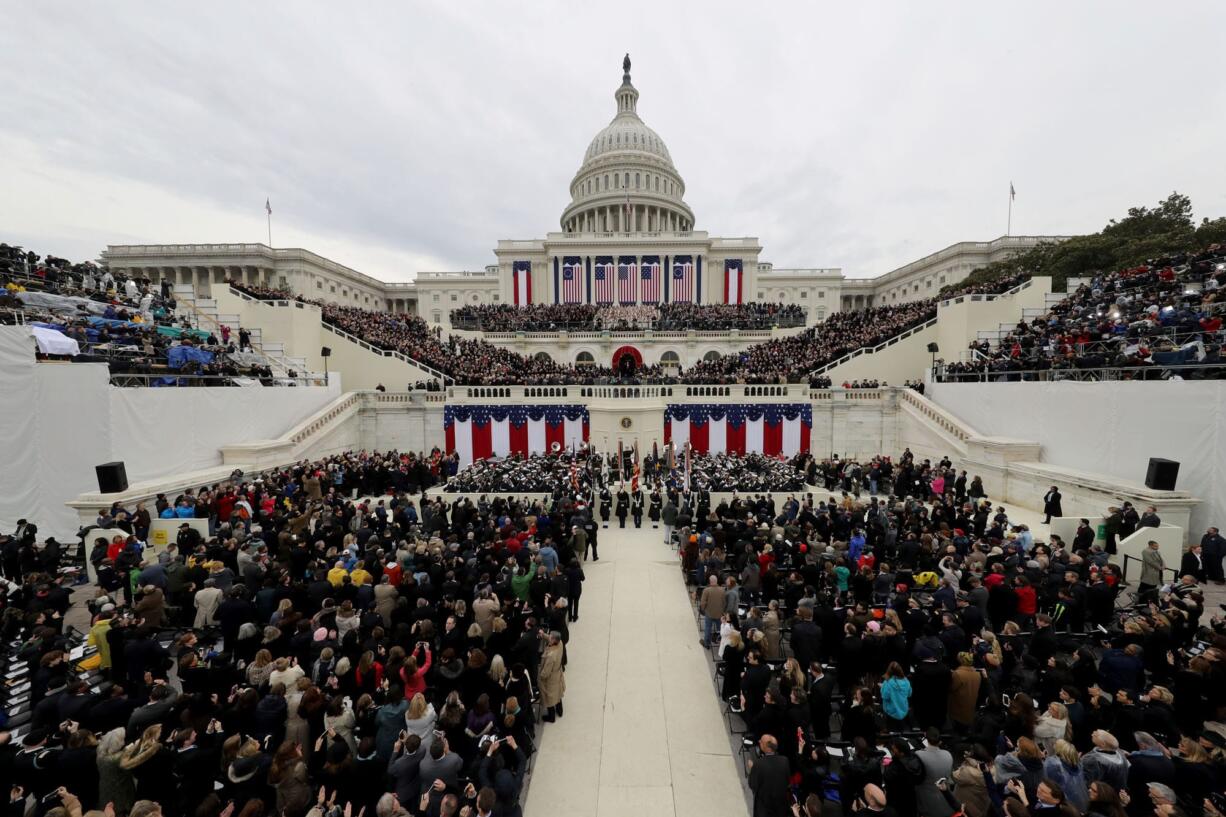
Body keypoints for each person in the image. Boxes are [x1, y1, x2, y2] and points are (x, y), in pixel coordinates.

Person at [747, 734, 791, 817]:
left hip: (763, 809)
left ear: (767, 748)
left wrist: (752, 769)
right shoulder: (785, 761)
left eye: (761, 741)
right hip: (780, 808)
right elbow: (788, 781)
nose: (759, 741)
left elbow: (753, 785)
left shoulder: (758, 764)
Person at [539, 630, 566, 722]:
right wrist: (543, 635)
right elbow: (551, 638)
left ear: (553, 640)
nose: (549, 637)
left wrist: (540, 677)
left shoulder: (551, 656)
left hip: (550, 680)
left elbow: (546, 673)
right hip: (558, 674)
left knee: (549, 698)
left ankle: (551, 717)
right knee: (558, 694)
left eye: (550, 637)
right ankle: (560, 710)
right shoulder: (560, 643)